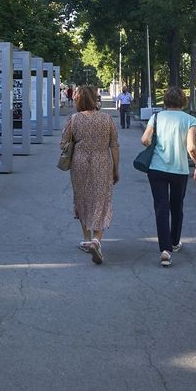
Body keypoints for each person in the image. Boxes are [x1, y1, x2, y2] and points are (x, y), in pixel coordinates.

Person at [140, 86, 196, 267]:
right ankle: (175, 242)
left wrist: (156, 143)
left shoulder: (157, 117)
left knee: (161, 208)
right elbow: (191, 148)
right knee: (177, 207)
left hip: (156, 169)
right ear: (182, 101)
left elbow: (144, 140)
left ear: (166, 100)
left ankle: (165, 250)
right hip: (179, 170)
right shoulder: (190, 120)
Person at [60, 85, 119, 264]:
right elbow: (114, 146)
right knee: (102, 199)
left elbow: (63, 144)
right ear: (95, 99)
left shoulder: (74, 119)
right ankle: (96, 240)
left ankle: (87, 239)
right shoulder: (107, 119)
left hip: (80, 163)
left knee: (83, 198)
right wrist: (116, 168)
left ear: (78, 100)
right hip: (102, 162)